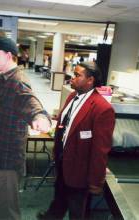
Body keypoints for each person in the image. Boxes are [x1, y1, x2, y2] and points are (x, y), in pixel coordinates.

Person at [0, 37, 51, 220]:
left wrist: (39, 117)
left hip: (7, 158)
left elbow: (29, 101)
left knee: (5, 209)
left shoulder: (17, 81)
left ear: (8, 56)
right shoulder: (4, 78)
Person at [37, 62, 115, 220]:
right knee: (59, 198)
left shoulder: (102, 109)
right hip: (63, 163)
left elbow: (100, 150)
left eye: (77, 75)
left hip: (80, 172)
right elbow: (65, 125)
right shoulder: (73, 96)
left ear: (90, 80)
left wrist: (96, 181)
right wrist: (56, 151)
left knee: (77, 211)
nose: (72, 78)